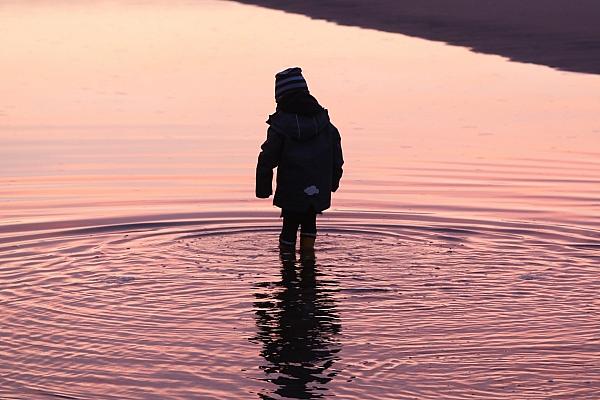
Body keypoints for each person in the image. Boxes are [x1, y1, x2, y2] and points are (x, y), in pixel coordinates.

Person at [256, 67, 344, 257]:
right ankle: (308, 262)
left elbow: (266, 158)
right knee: (309, 222)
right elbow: (337, 158)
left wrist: (263, 188)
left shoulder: (280, 127)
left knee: (289, 225)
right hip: (317, 188)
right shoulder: (326, 125)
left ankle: (287, 269)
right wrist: (332, 183)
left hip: (291, 189)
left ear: (280, 98)